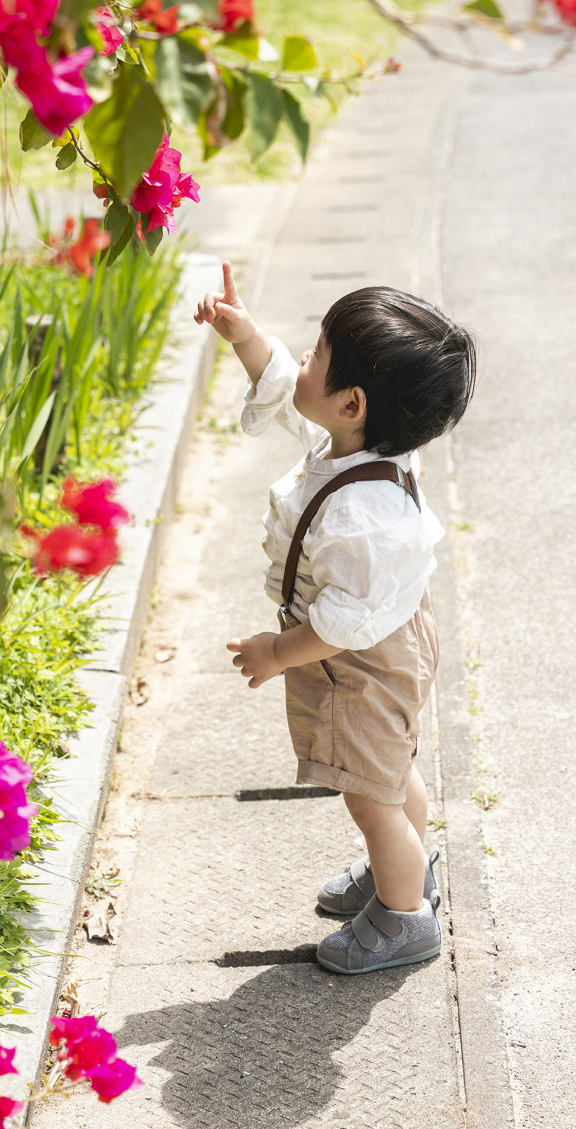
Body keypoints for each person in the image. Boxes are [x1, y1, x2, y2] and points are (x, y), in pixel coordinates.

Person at [193, 262, 477, 975]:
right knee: (386, 769)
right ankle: (403, 870)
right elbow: (292, 395)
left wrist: (277, 652)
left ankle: (405, 915)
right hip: (377, 644)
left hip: (360, 656)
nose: (305, 359)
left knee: (366, 793)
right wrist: (247, 336)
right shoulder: (357, 440)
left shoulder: (362, 515)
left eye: (317, 353)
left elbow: (345, 623)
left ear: (352, 403)